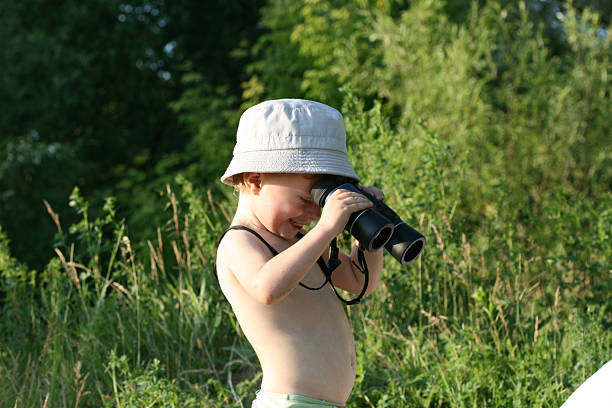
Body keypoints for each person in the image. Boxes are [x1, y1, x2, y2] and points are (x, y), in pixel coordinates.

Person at [215, 99, 386, 407]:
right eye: (306, 199)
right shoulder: (240, 242)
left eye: (320, 203)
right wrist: (326, 229)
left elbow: (361, 282)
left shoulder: (301, 241)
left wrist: (368, 230)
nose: (314, 213)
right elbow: (267, 288)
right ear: (255, 181)